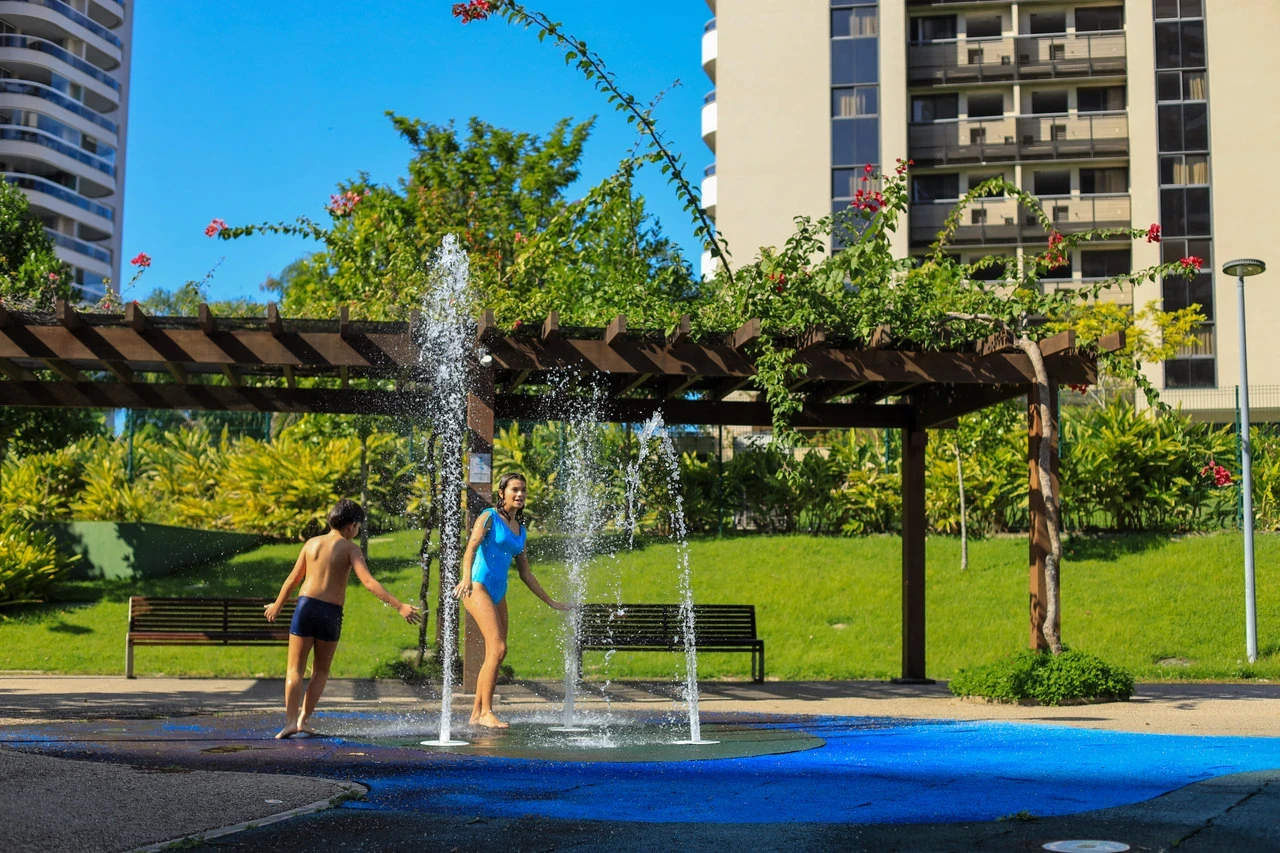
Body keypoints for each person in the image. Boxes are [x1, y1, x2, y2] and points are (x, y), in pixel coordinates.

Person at [264, 498, 420, 739]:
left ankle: (289, 722)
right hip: (330, 613)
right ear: (352, 525)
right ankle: (304, 720)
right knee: (320, 672)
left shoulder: (311, 544)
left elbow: (293, 579)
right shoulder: (350, 549)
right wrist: (399, 606)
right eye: (358, 527)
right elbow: (369, 582)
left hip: (305, 608)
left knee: (294, 669)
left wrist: (278, 604)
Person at [454, 472, 569, 728]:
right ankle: (486, 712)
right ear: (502, 492)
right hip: (477, 587)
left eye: (524, 490)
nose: (520, 494)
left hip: (498, 591)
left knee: (496, 653)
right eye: (515, 489)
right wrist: (465, 579)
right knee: (498, 649)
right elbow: (470, 548)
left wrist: (551, 602)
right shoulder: (489, 517)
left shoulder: (521, 530)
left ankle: (476, 713)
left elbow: (526, 573)